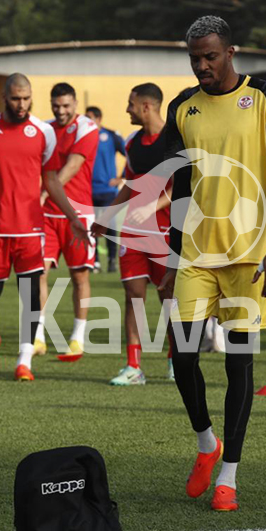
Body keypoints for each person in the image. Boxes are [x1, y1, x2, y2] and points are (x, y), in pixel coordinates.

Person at [158, 15, 266, 511]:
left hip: (250, 257)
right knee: (184, 355)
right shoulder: (182, 108)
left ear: (231, 52)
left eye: (210, 56)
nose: (201, 66)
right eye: (194, 58)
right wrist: (172, 258)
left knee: (239, 365)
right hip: (196, 254)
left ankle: (229, 477)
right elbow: (181, 186)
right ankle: (205, 444)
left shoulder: (265, 98)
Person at [0, 73, 87, 381]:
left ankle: (24, 359)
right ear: (4, 96)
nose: (21, 104)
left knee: (31, 295)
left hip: (30, 230)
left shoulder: (43, 132)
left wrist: (74, 217)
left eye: (26, 98)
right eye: (15, 98)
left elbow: (51, 180)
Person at [92, 83, 174, 386]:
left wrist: (153, 205)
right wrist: (108, 216)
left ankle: (175, 360)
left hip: (166, 230)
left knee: (169, 296)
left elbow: (180, 186)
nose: (127, 109)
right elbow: (130, 183)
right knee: (133, 295)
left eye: (130, 104)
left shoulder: (172, 140)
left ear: (146, 107)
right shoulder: (132, 142)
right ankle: (133, 366)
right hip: (133, 231)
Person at [34, 83, 99, 357]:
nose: (61, 111)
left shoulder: (87, 128)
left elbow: (72, 166)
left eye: (66, 106)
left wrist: (44, 193)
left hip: (78, 215)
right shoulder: (46, 130)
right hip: (47, 216)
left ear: (75, 104)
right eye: (56, 106)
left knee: (79, 275)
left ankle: (77, 337)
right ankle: (37, 336)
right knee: (39, 272)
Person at [85, 105, 125, 273]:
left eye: (90, 118)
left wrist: (121, 178)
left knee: (110, 225)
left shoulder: (111, 136)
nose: (87, 121)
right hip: (88, 191)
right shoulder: (83, 137)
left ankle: (111, 260)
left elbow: (129, 155)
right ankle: (94, 261)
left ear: (98, 119)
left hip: (108, 192)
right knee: (91, 227)